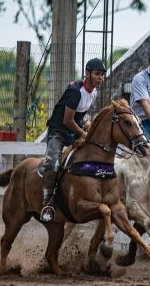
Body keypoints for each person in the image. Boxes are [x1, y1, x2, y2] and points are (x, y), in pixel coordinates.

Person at [40, 58, 106, 222]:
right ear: (87, 73)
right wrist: (83, 133)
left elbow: (79, 116)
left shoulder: (94, 92)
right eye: (97, 74)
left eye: (102, 75)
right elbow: (67, 120)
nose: (101, 78)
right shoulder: (75, 91)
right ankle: (47, 203)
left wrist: (86, 125)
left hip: (73, 130)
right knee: (53, 163)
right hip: (59, 131)